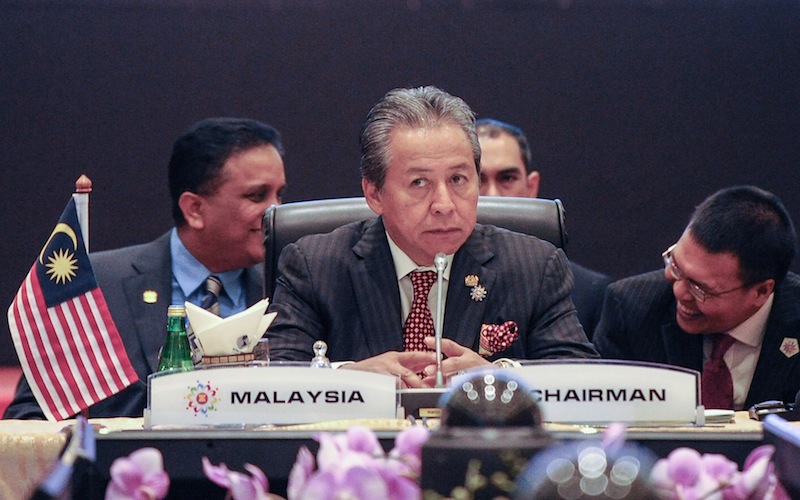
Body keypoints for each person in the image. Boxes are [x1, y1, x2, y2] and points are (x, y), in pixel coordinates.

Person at [268, 86, 597, 388]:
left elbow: (581, 383)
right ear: (374, 194)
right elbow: (274, 382)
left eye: (458, 179)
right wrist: (350, 379)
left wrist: (501, 376)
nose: (444, 204)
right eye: (419, 183)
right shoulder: (316, 267)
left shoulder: (534, 267)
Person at [4, 117, 287, 419]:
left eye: (279, 194)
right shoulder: (96, 286)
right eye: (257, 196)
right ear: (194, 209)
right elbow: (30, 418)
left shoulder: (289, 288)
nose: (276, 210)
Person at [594, 186, 800, 410]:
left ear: (761, 292)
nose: (680, 292)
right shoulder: (631, 309)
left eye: (699, 288)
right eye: (675, 266)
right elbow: (603, 416)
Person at [475, 118, 611, 339]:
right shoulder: (434, 281)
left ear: (532, 186)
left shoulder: (588, 293)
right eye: (478, 179)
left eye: (507, 178)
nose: (492, 195)